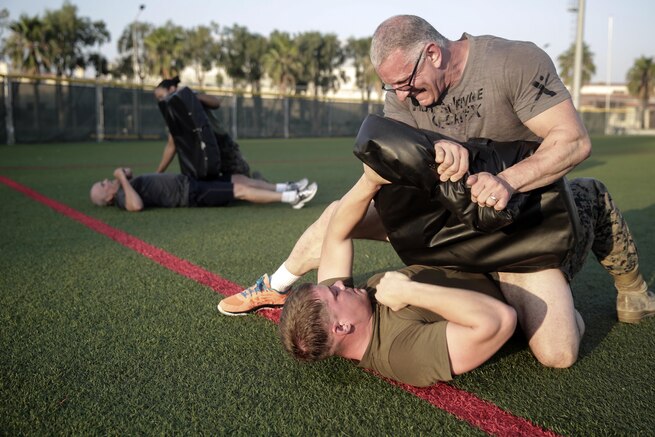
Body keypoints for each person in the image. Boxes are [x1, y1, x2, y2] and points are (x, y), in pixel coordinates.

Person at [275, 168, 651, 387]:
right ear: (341, 329)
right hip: (508, 273)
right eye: (334, 293)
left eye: (332, 285)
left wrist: (370, 178)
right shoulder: (401, 353)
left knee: (339, 212)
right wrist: (412, 290)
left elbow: (339, 231)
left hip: (463, 252)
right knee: (560, 353)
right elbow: (497, 321)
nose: (340, 283)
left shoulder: (349, 309)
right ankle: (603, 225)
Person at [89, 167, 317, 212]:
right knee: (239, 189)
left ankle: (287, 186)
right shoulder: (120, 198)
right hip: (189, 194)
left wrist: (125, 177)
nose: (105, 180)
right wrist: (121, 177)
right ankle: (292, 197)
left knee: (238, 178)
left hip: (189, 181)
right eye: (102, 185)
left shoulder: (122, 189)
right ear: (108, 197)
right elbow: (135, 206)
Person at [153, 76, 252, 178]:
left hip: (221, 143)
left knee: (242, 179)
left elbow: (216, 103)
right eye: (158, 99)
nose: (160, 100)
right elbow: (172, 144)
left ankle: (262, 185)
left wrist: (192, 97)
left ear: (172, 89)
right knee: (218, 186)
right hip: (203, 150)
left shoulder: (189, 97)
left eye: (161, 96)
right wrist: (158, 172)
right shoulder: (174, 111)